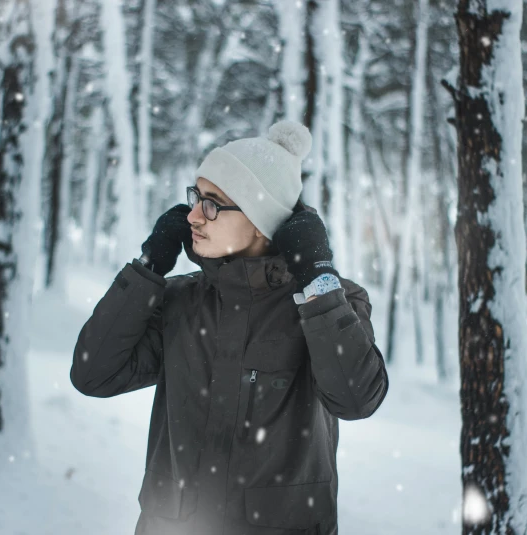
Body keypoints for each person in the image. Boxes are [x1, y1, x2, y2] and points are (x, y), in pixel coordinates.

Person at [71, 120, 389, 535]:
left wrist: (318, 280)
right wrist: (149, 266)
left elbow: (356, 399)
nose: (191, 216)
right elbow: (93, 373)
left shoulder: (330, 302)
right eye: (195, 198)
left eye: (212, 203)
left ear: (260, 220)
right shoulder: (179, 301)